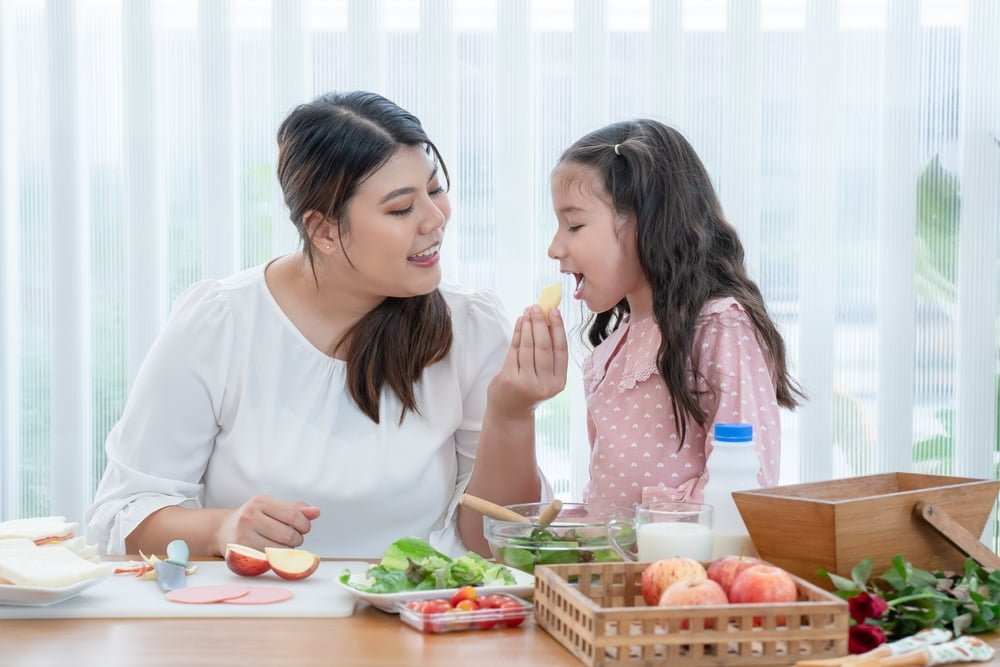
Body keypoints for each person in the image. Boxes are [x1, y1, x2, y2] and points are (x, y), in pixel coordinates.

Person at [85, 91, 567, 558]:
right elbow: (122, 516)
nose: (435, 218)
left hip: (419, 619)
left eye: (435, 189)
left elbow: (500, 544)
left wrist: (512, 413)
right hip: (255, 625)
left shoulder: (472, 325)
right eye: (401, 208)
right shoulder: (221, 323)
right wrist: (221, 527)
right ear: (323, 231)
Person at [546, 119, 803, 508]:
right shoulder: (608, 356)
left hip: (689, 567)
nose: (554, 247)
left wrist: (656, 529)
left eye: (574, 225)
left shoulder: (720, 326)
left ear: (644, 223)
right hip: (620, 566)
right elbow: (609, 498)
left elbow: (746, 481)